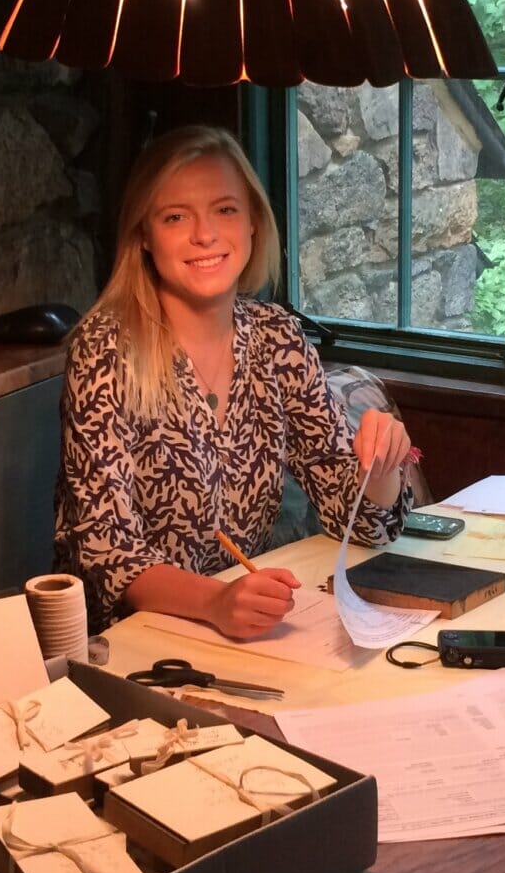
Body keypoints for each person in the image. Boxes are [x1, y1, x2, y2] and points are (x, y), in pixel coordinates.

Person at [55, 123, 415, 638]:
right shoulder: (106, 349)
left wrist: (381, 468)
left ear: (252, 224)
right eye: (176, 216)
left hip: (249, 632)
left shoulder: (278, 339)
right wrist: (217, 601)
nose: (205, 235)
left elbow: (356, 521)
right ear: (144, 237)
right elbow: (109, 552)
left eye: (225, 209)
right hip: (129, 643)